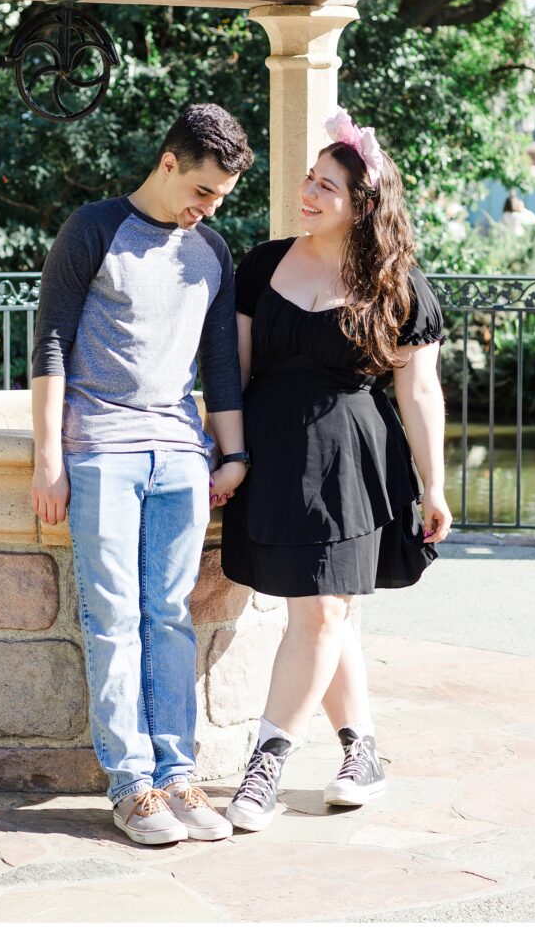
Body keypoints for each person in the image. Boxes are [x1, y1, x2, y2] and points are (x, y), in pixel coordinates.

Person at [221, 107, 452, 832]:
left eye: (328, 186)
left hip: (354, 461)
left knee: (322, 611)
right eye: (310, 180)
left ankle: (266, 763)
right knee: (325, 614)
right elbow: (235, 370)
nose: (309, 193)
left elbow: (418, 390)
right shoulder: (262, 266)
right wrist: (230, 450)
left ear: (363, 206)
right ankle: (363, 753)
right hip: (274, 457)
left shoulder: (397, 285)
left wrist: (436, 482)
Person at [31, 104, 253, 845]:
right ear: (167, 163)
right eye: (201, 191)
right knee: (113, 618)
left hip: (179, 454)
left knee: (169, 616)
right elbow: (52, 345)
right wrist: (48, 459)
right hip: (100, 450)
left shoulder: (211, 252)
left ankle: (177, 775)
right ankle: (131, 786)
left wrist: (233, 453)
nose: (207, 208)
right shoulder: (92, 229)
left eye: (219, 198)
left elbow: (219, 365)